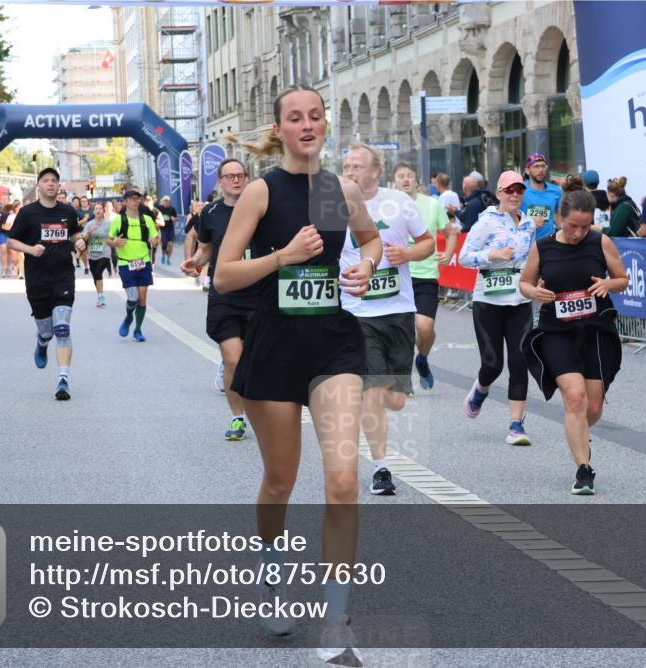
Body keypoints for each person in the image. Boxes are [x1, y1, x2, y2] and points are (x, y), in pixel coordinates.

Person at [214, 85, 380, 662]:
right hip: (275, 346)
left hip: (333, 346)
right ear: (280, 128)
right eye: (295, 117)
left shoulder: (339, 190)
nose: (307, 124)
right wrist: (282, 256)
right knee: (281, 481)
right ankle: (271, 573)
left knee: (342, 480)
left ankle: (336, 619)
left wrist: (365, 266)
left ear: (324, 125)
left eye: (315, 116)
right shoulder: (262, 191)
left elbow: (371, 239)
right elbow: (225, 276)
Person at [519, 189, 629, 495]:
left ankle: (578, 431)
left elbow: (622, 278)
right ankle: (583, 469)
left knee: (592, 406)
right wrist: (534, 293)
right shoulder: (543, 248)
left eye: (585, 225)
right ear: (558, 218)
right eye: (572, 226)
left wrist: (609, 283)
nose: (579, 232)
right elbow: (525, 283)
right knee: (575, 397)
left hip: (593, 331)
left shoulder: (600, 242)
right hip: (557, 332)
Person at [342, 145, 434, 496]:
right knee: (373, 389)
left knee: (394, 398)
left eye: (357, 166)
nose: (350, 172)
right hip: (355, 312)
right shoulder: (333, 205)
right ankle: (382, 468)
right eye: (346, 166)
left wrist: (408, 253)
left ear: (375, 172)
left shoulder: (399, 202)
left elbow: (427, 242)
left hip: (397, 311)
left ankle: (374, 399)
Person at [181, 159, 257, 440]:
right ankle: (238, 418)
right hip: (225, 294)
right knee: (234, 359)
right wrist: (195, 261)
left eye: (240, 175)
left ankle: (254, 406)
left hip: (258, 293)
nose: (236, 180)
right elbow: (205, 250)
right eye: (230, 176)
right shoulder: (211, 212)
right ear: (220, 181)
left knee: (252, 361)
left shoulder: (262, 209)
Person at [458, 171, 536, 444]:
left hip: (519, 301)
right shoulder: (486, 222)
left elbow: (532, 258)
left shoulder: (528, 224)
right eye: (510, 190)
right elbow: (463, 257)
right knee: (492, 364)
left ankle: (516, 425)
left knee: (519, 361)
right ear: (500, 193)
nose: (515, 195)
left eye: (519, 190)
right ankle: (480, 389)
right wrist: (491, 256)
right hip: (488, 300)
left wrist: (538, 276)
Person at [4, 167, 86, 400]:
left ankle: (63, 379)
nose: (51, 184)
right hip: (37, 278)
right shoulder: (28, 213)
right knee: (47, 331)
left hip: (63, 275)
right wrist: (31, 249)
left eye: (54, 181)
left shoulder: (68, 211)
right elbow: (11, 241)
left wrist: (79, 242)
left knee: (62, 328)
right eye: (46, 180)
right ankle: (41, 342)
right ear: (39, 185)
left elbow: (74, 234)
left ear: (59, 186)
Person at [392, 161, 457, 390]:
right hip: (397, 276)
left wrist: (448, 253)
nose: (406, 179)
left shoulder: (432, 204)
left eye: (410, 175)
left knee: (425, 327)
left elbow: (451, 232)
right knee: (402, 331)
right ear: (394, 182)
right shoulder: (386, 207)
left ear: (417, 181)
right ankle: (403, 381)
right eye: (401, 176)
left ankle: (422, 358)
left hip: (426, 275)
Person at [107, 189, 159, 342]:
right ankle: (128, 318)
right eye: (132, 199)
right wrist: (115, 242)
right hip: (125, 263)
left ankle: (138, 330)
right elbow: (109, 240)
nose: (136, 201)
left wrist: (154, 240)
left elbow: (155, 239)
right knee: (133, 298)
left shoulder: (147, 219)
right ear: (126, 202)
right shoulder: (119, 220)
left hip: (143, 262)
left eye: (137, 199)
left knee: (142, 300)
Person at [522, 153, 562, 240]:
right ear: (527, 171)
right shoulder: (520, 190)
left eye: (543, 166)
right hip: (526, 243)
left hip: (549, 243)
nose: (540, 170)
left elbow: (558, 216)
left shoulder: (556, 191)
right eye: (536, 166)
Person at [82, 201, 114, 307]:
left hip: (105, 253)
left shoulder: (109, 223)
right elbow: (84, 238)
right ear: (94, 211)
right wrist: (90, 232)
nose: (98, 210)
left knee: (98, 272)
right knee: (95, 275)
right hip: (92, 254)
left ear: (103, 210)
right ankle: (100, 295)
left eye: (100, 208)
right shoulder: (89, 224)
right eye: (96, 209)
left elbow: (113, 237)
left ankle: (100, 296)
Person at [156, 195, 179, 265]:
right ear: (162, 201)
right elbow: (154, 215)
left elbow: (177, 218)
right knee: (164, 244)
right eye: (164, 201)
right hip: (162, 229)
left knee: (171, 245)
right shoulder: (159, 208)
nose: (166, 202)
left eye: (167, 201)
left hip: (170, 228)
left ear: (169, 202)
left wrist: (174, 219)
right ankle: (163, 255)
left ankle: (168, 259)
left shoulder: (172, 209)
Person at [6, 200, 25, 279]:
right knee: (14, 257)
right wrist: (13, 228)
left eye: (21, 206)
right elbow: (6, 226)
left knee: (21, 255)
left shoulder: (25, 216)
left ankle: (21, 273)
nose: (21, 208)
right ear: (15, 208)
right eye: (19, 207)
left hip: (22, 238)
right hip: (13, 238)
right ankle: (16, 266)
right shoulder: (11, 217)